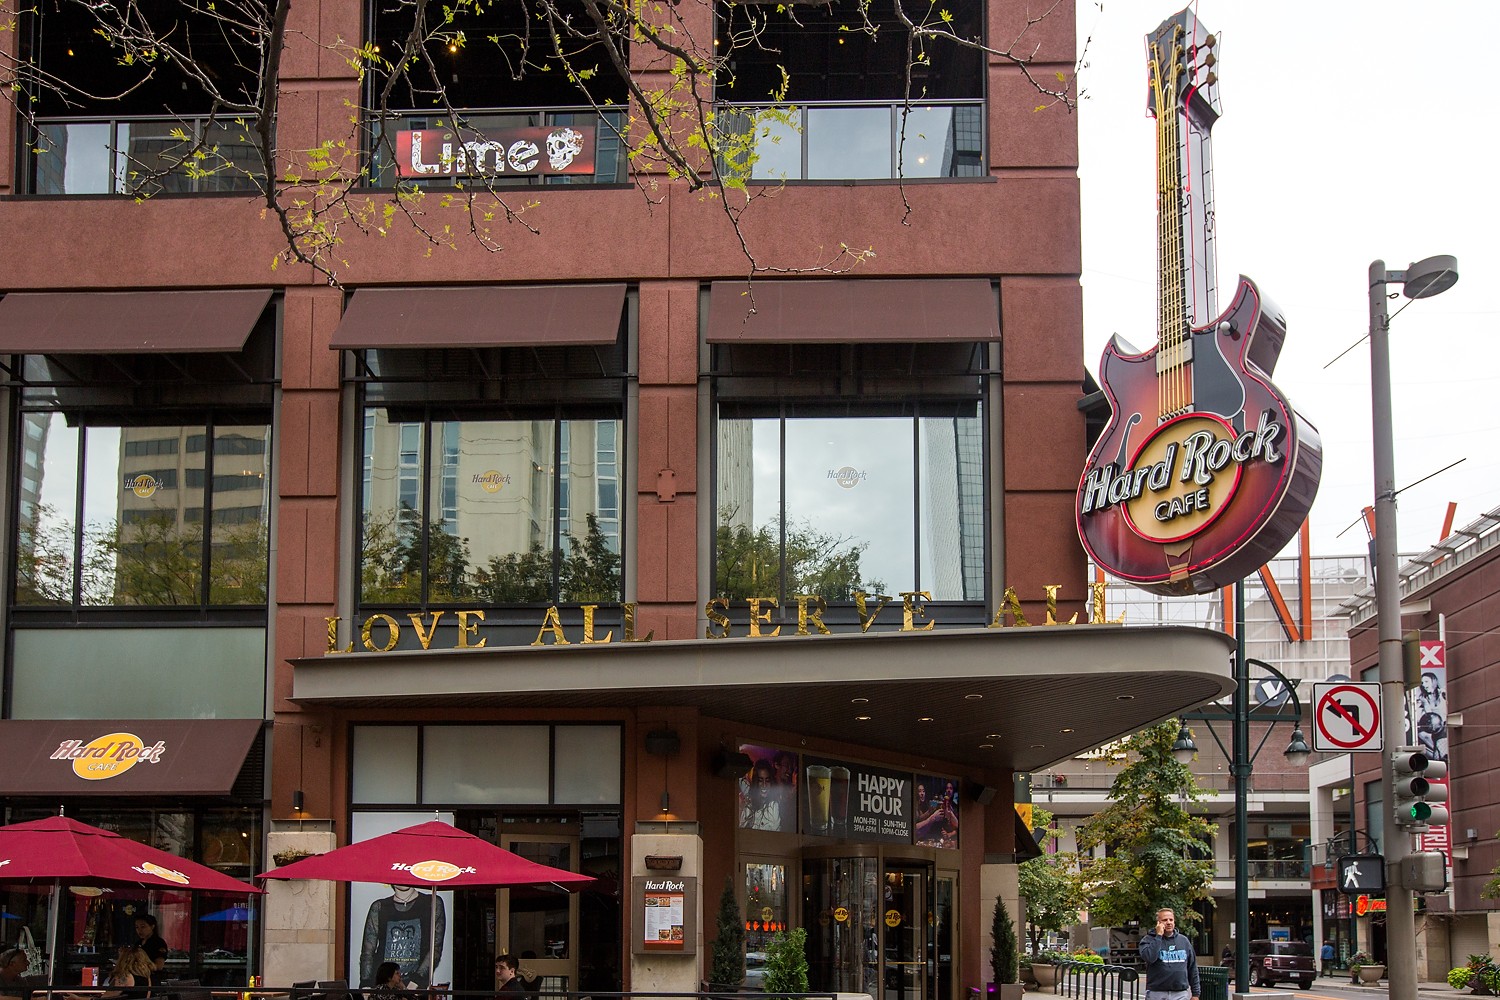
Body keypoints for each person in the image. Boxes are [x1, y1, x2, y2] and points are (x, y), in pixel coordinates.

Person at [359, 884, 446, 988]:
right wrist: (366, 984)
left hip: (416, 987)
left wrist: (416, 981)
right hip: (382, 986)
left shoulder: (432, 903)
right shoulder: (379, 907)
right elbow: (367, 951)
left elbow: (435, 947)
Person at [1138, 908, 1199, 1000]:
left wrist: (1195, 994)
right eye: (1164, 920)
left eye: (1171, 919)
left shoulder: (1184, 941)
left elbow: (1192, 967)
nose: (1169, 922)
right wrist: (1158, 936)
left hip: (1180, 993)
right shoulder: (1148, 940)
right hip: (1157, 993)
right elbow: (1149, 957)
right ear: (1158, 923)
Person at [739, 759, 782, 832]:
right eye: (760, 780)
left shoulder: (773, 806)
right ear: (756, 782)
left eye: (767, 780)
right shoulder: (749, 804)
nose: (764, 785)